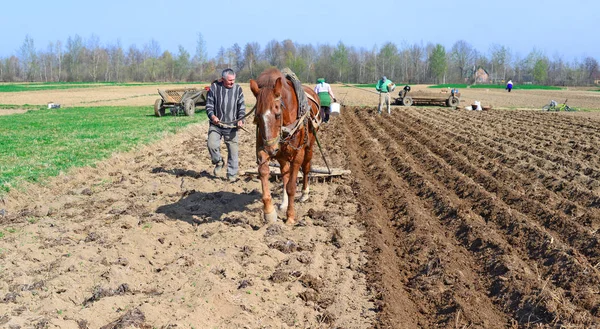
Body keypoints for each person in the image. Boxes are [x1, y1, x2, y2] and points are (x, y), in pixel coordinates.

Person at [206, 68, 246, 182]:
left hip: (232, 127)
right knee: (211, 145)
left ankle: (232, 175)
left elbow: (242, 107)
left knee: (233, 152)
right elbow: (209, 105)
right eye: (229, 80)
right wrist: (213, 117)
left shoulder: (238, 89)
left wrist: (241, 120)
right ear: (223, 79)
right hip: (216, 125)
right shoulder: (214, 88)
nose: (232, 82)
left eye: (233, 80)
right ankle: (218, 161)